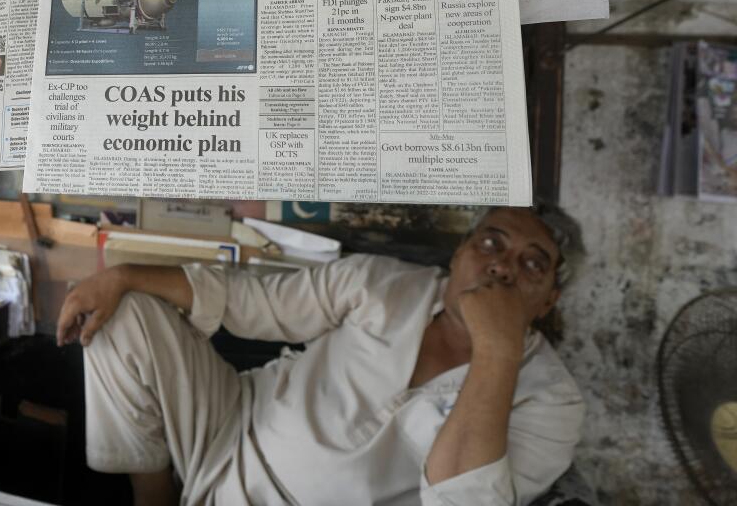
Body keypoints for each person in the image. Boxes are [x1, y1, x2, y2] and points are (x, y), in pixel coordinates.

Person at [58, 204, 585, 506]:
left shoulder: (552, 403)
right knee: (123, 316)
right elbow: (252, 303)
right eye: (490, 245)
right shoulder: (384, 284)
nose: (502, 268)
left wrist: (497, 349)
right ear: (460, 253)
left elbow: (464, 502)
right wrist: (122, 275)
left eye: (532, 265)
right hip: (228, 437)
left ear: (549, 301)